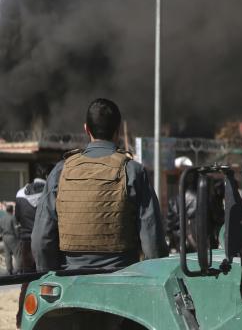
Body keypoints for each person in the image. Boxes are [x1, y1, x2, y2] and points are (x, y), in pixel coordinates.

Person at [32, 98, 167, 272]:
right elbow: (152, 239)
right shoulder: (133, 171)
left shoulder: (61, 171)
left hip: (71, 280)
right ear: (118, 130)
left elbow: (41, 239)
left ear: (86, 129)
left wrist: (49, 276)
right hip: (121, 281)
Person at [15, 178, 45, 274]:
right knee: (46, 274)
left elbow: (17, 217)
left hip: (26, 240)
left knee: (28, 274)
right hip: (45, 239)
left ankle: (25, 289)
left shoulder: (20, 194)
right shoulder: (50, 192)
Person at [0, 204, 15, 275]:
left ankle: (9, 270)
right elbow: (16, 229)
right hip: (12, 237)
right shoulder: (12, 217)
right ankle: (19, 270)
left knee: (7, 254)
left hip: (4, 237)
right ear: (12, 210)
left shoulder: (2, 218)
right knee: (17, 254)